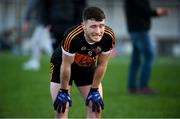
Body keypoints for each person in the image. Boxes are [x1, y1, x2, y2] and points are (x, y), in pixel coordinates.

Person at [50, 7, 115, 118]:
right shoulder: (72, 36)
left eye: (101, 26)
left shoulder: (108, 37)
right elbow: (66, 65)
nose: (98, 31)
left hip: (86, 67)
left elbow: (102, 64)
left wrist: (94, 90)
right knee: (62, 107)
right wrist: (64, 91)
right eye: (93, 26)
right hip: (62, 65)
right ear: (84, 26)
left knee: (95, 106)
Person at [124, 0, 169, 95]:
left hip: (134, 29)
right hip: (140, 29)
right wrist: (157, 12)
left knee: (136, 60)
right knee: (149, 56)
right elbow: (144, 11)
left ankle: (131, 87)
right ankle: (143, 87)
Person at [22, 0, 53, 70]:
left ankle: (59, 61)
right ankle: (35, 62)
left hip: (44, 23)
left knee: (44, 44)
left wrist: (26, 20)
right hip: (44, 22)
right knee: (37, 43)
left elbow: (31, 6)